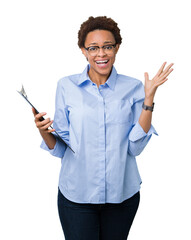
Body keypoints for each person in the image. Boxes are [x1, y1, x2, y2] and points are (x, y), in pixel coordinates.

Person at [32, 16, 173, 240]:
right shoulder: (66, 86)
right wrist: (43, 131)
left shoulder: (133, 87)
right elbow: (62, 148)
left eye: (108, 46)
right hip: (76, 196)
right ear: (83, 50)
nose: (101, 54)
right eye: (93, 48)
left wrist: (148, 99)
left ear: (117, 47)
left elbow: (134, 149)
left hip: (122, 196)